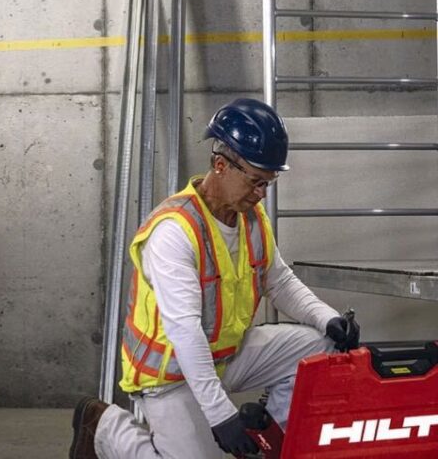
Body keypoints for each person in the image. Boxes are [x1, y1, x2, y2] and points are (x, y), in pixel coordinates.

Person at [69, 98, 360, 459]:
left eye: (268, 183)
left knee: (320, 346)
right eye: (256, 181)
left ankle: (277, 443)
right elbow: (185, 330)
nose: (261, 194)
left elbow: (279, 281)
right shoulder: (174, 232)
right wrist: (222, 416)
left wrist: (326, 317)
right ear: (221, 165)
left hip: (224, 356)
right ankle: (105, 427)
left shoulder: (250, 217)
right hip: (170, 374)